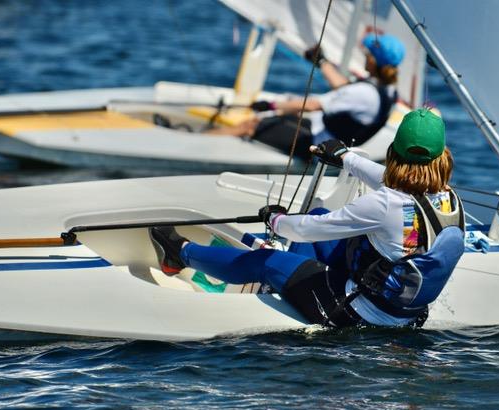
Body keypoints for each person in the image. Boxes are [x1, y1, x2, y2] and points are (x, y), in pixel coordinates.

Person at [149, 108, 465, 328]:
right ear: (442, 158)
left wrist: (275, 221)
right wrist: (345, 158)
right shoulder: (449, 199)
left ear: (394, 152)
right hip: (404, 312)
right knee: (317, 212)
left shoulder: (384, 205)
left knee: (267, 261)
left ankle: (180, 254)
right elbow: (393, 186)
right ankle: (294, 285)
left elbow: (305, 232)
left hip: (356, 314)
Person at [209, 33, 406, 160]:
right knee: (274, 119)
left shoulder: (364, 92)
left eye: (368, 53)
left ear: (374, 61)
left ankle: (199, 142)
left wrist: (270, 104)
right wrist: (322, 62)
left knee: (250, 125)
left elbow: (312, 105)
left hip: (319, 147)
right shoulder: (387, 90)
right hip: (329, 137)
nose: (365, 55)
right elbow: (344, 88)